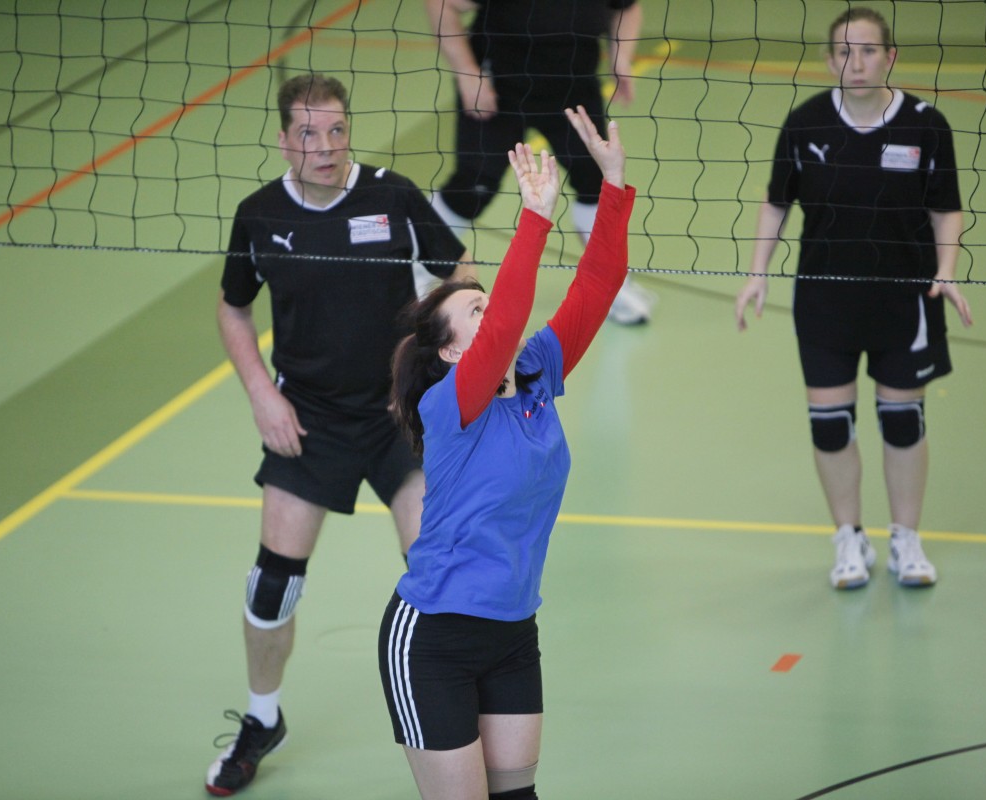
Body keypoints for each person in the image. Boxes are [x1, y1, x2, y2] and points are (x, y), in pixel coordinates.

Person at [207, 73, 473, 797]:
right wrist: (261, 394)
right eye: (308, 133)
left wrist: (437, 363)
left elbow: (460, 276)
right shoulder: (259, 216)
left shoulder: (393, 197)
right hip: (309, 419)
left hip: (396, 415)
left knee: (437, 571)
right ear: (283, 139)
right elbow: (233, 308)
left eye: (335, 130)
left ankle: (456, 715)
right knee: (271, 587)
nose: (325, 146)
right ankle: (262, 718)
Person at [379, 106, 634, 800]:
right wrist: (534, 218)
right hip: (434, 637)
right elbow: (512, 317)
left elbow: (597, 286)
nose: (494, 314)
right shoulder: (450, 405)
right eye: (476, 311)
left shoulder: (536, 373)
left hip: (514, 632)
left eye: (489, 302)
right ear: (450, 352)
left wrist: (613, 186)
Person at [734, 8, 973, 590]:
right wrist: (757, 272)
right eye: (844, 51)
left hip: (905, 300)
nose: (856, 63)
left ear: (890, 57)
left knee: (903, 422)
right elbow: (776, 201)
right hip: (825, 300)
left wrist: (946, 271)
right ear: (828, 60)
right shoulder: (805, 123)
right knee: (830, 427)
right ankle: (849, 538)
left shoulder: (925, 125)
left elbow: (946, 208)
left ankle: (905, 539)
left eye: (868, 51)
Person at [421, 0, 656, 325]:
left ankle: (612, 287)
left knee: (596, 182)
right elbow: (441, 4)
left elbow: (628, 8)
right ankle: (417, 272)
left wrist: (621, 56)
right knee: (475, 185)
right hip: (500, 84)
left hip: (573, 84)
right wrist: (468, 74)